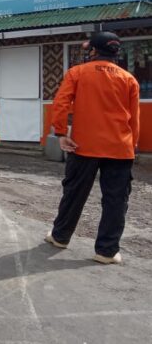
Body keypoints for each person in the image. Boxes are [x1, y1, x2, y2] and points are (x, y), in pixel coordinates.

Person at [46, 31, 140, 264]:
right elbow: (134, 120)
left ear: (93, 51)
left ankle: (60, 237)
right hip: (120, 149)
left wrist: (60, 133)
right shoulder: (129, 79)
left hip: (83, 146)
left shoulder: (77, 73)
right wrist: (132, 146)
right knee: (116, 200)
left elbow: (60, 104)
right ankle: (107, 251)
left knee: (74, 194)